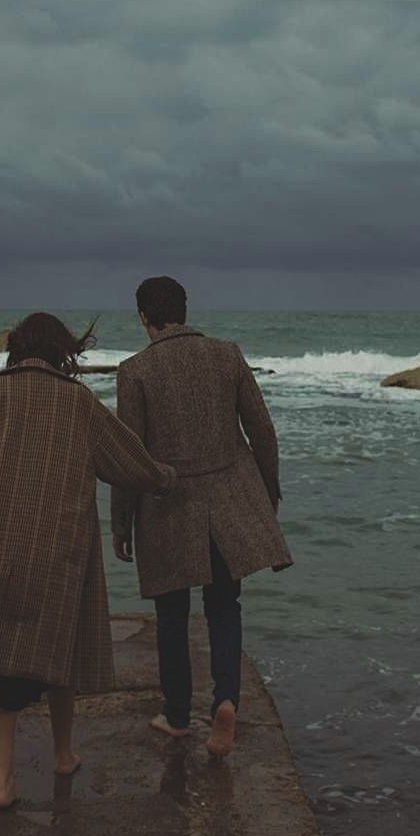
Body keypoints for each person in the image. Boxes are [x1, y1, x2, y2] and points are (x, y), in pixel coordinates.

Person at [0, 312, 176, 809]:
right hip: (58, 549)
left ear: (16, 350)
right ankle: (63, 755)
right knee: (57, 654)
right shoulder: (79, 403)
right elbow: (127, 463)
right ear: (64, 352)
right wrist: (166, 478)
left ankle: (3, 783)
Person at [111, 277, 293, 756]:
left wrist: (120, 522)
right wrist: (269, 488)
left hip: (167, 507)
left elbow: (130, 456)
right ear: (185, 310)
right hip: (227, 501)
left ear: (143, 317)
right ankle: (226, 701)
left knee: (172, 615)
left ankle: (176, 715)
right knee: (224, 606)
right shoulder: (226, 354)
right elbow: (261, 429)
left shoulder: (135, 371)